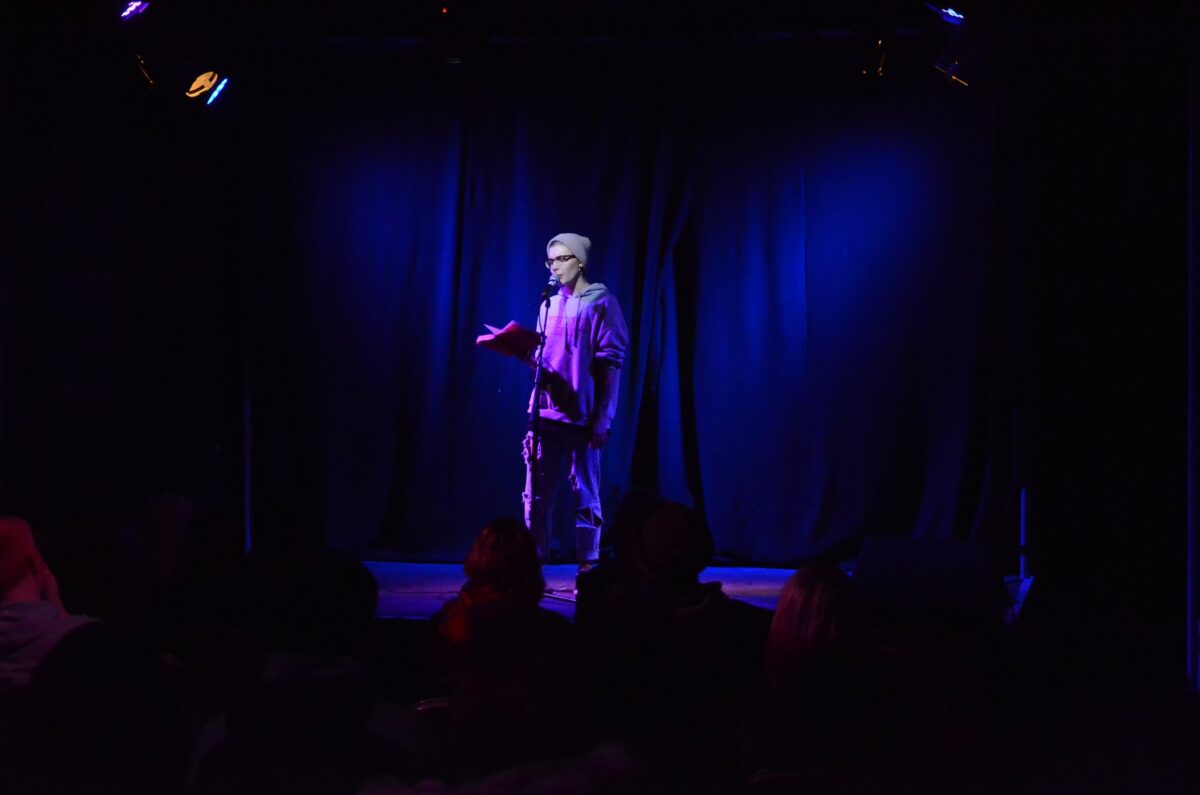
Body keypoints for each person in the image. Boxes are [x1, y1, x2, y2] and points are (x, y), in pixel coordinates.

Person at [522, 233, 628, 572]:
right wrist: (521, 351)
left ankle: (588, 569)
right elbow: (543, 358)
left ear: (579, 261)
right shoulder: (548, 303)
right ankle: (531, 566)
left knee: (585, 495)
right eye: (550, 260)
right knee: (537, 495)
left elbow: (610, 364)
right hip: (545, 413)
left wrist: (604, 417)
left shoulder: (601, 303)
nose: (554, 266)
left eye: (562, 259)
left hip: (581, 416)